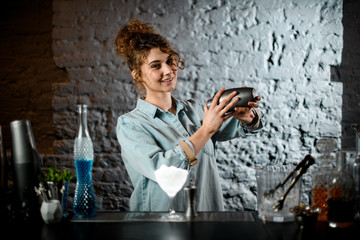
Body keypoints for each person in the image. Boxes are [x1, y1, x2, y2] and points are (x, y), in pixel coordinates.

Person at [115, 20, 263, 212]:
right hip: (159, 227)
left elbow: (245, 128)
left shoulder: (197, 112)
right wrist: (205, 131)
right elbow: (164, 171)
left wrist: (247, 117)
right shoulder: (130, 124)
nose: (168, 71)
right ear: (137, 75)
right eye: (155, 65)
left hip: (207, 222)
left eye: (170, 61)